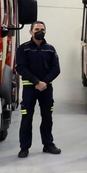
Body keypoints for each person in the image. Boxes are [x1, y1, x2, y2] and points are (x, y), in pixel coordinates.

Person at [15, 21, 61, 158]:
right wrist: (36, 81)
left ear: (45, 31)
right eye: (36, 29)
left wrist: (44, 82)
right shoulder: (23, 49)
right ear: (31, 32)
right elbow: (21, 67)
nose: (39, 31)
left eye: (42, 29)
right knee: (26, 118)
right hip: (30, 88)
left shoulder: (51, 49)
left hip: (46, 89)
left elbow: (56, 69)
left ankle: (48, 144)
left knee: (47, 117)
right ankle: (24, 147)